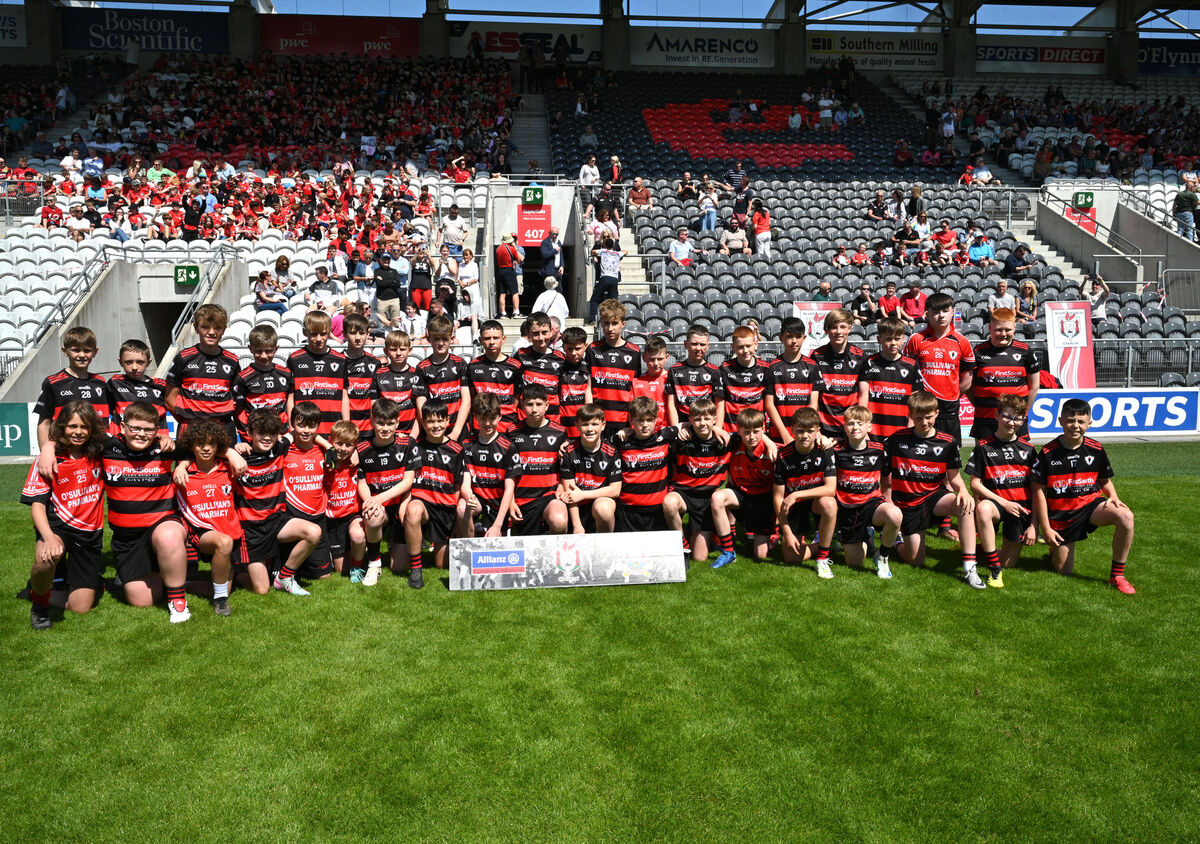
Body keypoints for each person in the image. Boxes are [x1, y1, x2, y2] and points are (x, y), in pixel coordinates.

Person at [1032, 397, 1137, 594]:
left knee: (1126, 517)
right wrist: (1044, 527)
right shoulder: (1047, 452)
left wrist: (1113, 496)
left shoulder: (1095, 449)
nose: (1075, 426)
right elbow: (1038, 491)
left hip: (1091, 505)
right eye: (1070, 420)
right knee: (1064, 570)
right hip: (1063, 515)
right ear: (1060, 421)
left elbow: (1104, 480)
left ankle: (1117, 575)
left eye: (1081, 421)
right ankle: (1054, 552)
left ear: (1089, 423)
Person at [22, 401, 106, 629]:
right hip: (57, 528)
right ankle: (40, 607)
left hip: (89, 534)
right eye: (72, 426)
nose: (78, 432)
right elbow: (37, 505)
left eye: (84, 427)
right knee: (45, 557)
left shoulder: (100, 453)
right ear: (62, 427)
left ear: (92, 429)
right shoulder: (48, 459)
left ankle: (35, 589)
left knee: (81, 607)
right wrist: (48, 537)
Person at [885, 392, 982, 588]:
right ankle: (896, 541)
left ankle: (970, 567)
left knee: (965, 505)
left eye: (928, 417)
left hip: (933, 497)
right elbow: (885, 477)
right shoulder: (896, 439)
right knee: (916, 561)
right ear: (911, 415)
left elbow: (953, 476)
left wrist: (963, 491)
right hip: (908, 503)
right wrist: (888, 503)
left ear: (937, 413)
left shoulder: (947, 441)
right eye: (919, 418)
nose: (924, 422)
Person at [231, 409, 322, 594]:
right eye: (261, 433)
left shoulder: (279, 448)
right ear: (249, 433)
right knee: (262, 590)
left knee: (313, 532)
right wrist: (230, 451)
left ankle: (285, 577)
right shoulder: (239, 458)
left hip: (276, 521)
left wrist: (332, 448)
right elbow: (204, 449)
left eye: (272, 434)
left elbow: (300, 431)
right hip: (251, 531)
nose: (267, 438)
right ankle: (239, 569)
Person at [967, 394, 1037, 588]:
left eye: (1016, 418)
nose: (1011, 422)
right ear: (996, 416)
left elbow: (1037, 491)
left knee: (1010, 563)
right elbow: (975, 484)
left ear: (1023, 420)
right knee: (983, 509)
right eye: (1006, 416)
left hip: (1021, 509)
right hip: (998, 505)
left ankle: (983, 550)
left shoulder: (1029, 450)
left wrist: (1034, 525)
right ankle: (994, 568)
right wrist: (1004, 502)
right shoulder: (983, 447)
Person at [175, 420, 243, 616]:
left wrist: (234, 454)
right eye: (200, 444)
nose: (206, 448)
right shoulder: (183, 473)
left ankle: (187, 584)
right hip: (202, 533)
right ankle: (220, 602)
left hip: (230, 532)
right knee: (223, 542)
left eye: (211, 444)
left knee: (223, 587)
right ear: (191, 446)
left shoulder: (229, 469)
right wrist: (181, 466)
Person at [833, 405, 902, 576]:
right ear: (844, 427)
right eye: (850, 424)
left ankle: (883, 556)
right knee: (855, 563)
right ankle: (866, 537)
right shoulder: (835, 450)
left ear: (869, 427)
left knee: (895, 515)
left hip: (872, 504)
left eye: (860, 423)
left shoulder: (879, 450)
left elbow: (887, 480)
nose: (855, 427)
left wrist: (888, 502)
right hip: (848, 509)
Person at [404, 400, 467, 586]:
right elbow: (407, 481)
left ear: (448, 421)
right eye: (430, 422)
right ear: (422, 423)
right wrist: (404, 505)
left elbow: (457, 488)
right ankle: (416, 570)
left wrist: (456, 519)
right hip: (423, 505)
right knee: (413, 510)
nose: (435, 426)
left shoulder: (457, 450)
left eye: (440, 421)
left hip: (445, 509)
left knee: (441, 564)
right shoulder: (415, 447)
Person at [356, 397, 417, 580]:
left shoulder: (407, 444)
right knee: (373, 517)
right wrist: (371, 502)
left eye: (391, 423)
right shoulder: (362, 448)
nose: (385, 428)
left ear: (397, 422)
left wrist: (378, 498)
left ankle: (394, 543)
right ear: (372, 419)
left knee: (399, 567)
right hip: (379, 507)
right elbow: (362, 482)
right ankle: (374, 564)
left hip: (399, 505)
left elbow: (408, 482)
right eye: (381, 423)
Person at [774, 407, 838, 576]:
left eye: (810, 431)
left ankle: (822, 559)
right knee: (791, 557)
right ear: (792, 430)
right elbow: (778, 498)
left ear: (818, 431)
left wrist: (796, 494)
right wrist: (786, 532)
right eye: (800, 431)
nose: (805, 435)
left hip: (814, 501)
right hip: (794, 507)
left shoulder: (824, 449)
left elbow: (831, 489)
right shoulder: (783, 456)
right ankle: (826, 543)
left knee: (830, 504)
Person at [710, 408, 779, 566]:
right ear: (738, 430)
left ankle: (772, 534)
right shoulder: (732, 442)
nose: (751, 437)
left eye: (756, 431)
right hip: (740, 495)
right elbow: (706, 431)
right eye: (746, 432)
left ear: (763, 430)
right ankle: (728, 550)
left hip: (763, 501)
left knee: (761, 555)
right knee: (717, 498)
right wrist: (713, 426)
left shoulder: (772, 450)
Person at [166, 304, 240, 437]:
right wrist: (186, 420)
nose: (211, 332)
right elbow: (170, 398)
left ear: (224, 329)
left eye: (217, 327)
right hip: (191, 426)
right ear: (196, 328)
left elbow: (236, 398)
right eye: (205, 327)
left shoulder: (232, 360)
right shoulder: (184, 358)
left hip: (223, 427)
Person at [969, 308, 1039, 441]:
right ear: (990, 328)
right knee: (985, 460)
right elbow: (969, 386)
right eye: (998, 330)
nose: (1003, 334)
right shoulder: (977, 352)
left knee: (1020, 459)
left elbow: (1034, 387)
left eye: (1008, 330)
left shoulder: (1025, 351)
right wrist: (980, 404)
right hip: (985, 419)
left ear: (1014, 328)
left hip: (1016, 420)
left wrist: (1022, 411)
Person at [508, 384, 569, 535]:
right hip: (521, 499)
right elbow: (507, 472)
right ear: (522, 405)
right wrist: (510, 502)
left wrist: (561, 486)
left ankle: (556, 557)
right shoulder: (512, 432)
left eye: (539, 404)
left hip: (549, 496)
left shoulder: (560, 432)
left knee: (559, 521)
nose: (534, 409)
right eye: (529, 404)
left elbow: (565, 467)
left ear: (547, 405)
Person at [613, 397, 678, 535]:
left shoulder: (665, 436)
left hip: (657, 511)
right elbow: (595, 444)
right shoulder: (620, 440)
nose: (644, 424)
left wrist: (716, 429)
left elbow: (686, 425)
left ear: (656, 420)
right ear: (631, 421)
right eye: (640, 420)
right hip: (627, 511)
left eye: (649, 420)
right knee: (626, 556)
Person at [459, 393, 520, 538]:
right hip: (478, 501)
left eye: (492, 418)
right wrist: (469, 497)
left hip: (499, 504)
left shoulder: (508, 447)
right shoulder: (467, 445)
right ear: (475, 416)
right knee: (463, 507)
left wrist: (497, 525)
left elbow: (509, 489)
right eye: (483, 418)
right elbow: (465, 483)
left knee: (497, 548)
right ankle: (469, 548)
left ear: (499, 416)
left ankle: (488, 528)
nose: (487, 423)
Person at [559, 403, 622, 534]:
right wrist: (577, 526)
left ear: (603, 425)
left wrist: (583, 495)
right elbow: (570, 493)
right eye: (585, 424)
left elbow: (615, 490)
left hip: (599, 500)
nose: (589, 429)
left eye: (594, 424)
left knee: (603, 509)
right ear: (577, 425)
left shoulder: (611, 452)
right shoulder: (568, 451)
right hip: (575, 507)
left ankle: (605, 546)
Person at [857, 317, 921, 441]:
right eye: (888, 339)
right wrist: (863, 429)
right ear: (879, 339)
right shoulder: (869, 362)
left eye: (897, 339)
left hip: (902, 432)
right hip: (874, 432)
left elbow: (916, 403)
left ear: (903, 339)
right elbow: (863, 397)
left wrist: (910, 430)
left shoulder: (912, 365)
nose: (893, 343)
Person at [288, 310, 348, 437]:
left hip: (333, 429)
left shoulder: (341, 360)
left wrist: (346, 424)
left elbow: (344, 395)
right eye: (314, 334)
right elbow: (291, 397)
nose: (319, 339)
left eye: (323, 334)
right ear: (305, 332)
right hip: (305, 430)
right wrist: (291, 426)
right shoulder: (295, 359)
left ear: (330, 332)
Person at [587, 299, 641, 439]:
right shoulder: (592, 350)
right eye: (606, 323)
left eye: (614, 323)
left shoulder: (634, 351)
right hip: (598, 420)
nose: (610, 328)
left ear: (623, 324)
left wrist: (633, 421)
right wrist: (590, 416)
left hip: (623, 420)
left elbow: (635, 388)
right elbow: (588, 385)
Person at [811, 308, 869, 439]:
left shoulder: (860, 356)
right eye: (833, 327)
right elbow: (814, 396)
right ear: (826, 330)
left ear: (849, 328)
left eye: (842, 327)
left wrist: (861, 425)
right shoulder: (817, 356)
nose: (838, 332)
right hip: (825, 427)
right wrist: (815, 429)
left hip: (851, 427)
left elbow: (863, 394)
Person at [763, 317, 820, 444]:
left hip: (804, 436)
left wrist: (805, 432)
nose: (794, 341)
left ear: (804, 338)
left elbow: (813, 406)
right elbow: (769, 405)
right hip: (779, 436)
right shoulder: (772, 367)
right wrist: (785, 435)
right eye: (789, 336)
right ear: (781, 337)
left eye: (798, 336)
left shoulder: (812, 366)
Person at [416, 315, 471, 440]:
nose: (441, 343)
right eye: (436, 339)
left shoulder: (460, 364)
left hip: (457, 429)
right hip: (433, 429)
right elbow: (421, 402)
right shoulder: (422, 367)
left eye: (445, 339)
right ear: (429, 339)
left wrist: (456, 432)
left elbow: (466, 401)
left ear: (451, 339)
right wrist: (429, 428)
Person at [464, 320, 523, 433]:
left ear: (503, 339)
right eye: (487, 338)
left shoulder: (515, 366)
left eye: (496, 338)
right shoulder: (473, 366)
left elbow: (517, 396)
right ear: (481, 340)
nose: (491, 342)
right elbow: (472, 397)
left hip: (508, 424)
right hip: (481, 425)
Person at [372, 330, 422, 438]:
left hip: (412, 434)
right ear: (386, 351)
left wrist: (412, 437)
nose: (398, 353)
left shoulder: (417, 374)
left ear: (410, 350)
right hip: (386, 434)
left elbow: (420, 411)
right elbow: (374, 409)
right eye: (393, 349)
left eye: (403, 349)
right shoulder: (378, 375)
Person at [720, 326, 769, 434]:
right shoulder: (724, 369)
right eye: (740, 347)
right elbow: (719, 402)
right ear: (733, 347)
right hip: (731, 430)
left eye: (748, 346)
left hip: (756, 432)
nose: (745, 350)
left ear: (756, 344)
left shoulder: (765, 369)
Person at [495, 233, 524, 319]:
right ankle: (516, 312)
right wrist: (515, 248)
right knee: (514, 292)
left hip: (501, 270)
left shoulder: (498, 249)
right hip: (509, 270)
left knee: (502, 293)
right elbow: (520, 260)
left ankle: (503, 313)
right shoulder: (511, 249)